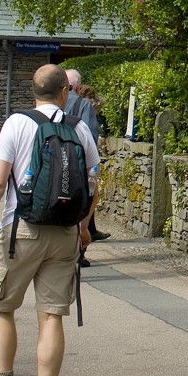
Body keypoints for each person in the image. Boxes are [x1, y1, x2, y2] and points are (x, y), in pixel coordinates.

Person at [0, 64, 99, 376]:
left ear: (33, 92)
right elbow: (92, 184)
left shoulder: (16, 124)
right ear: (64, 93)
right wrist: (83, 227)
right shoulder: (79, 128)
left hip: (20, 231)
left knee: (3, 308)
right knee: (52, 315)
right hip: (64, 234)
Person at [64, 68, 109, 257]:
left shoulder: (50, 103)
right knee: (84, 201)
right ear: (77, 86)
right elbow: (91, 135)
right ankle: (79, 252)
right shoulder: (83, 105)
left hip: (57, 163)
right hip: (78, 164)